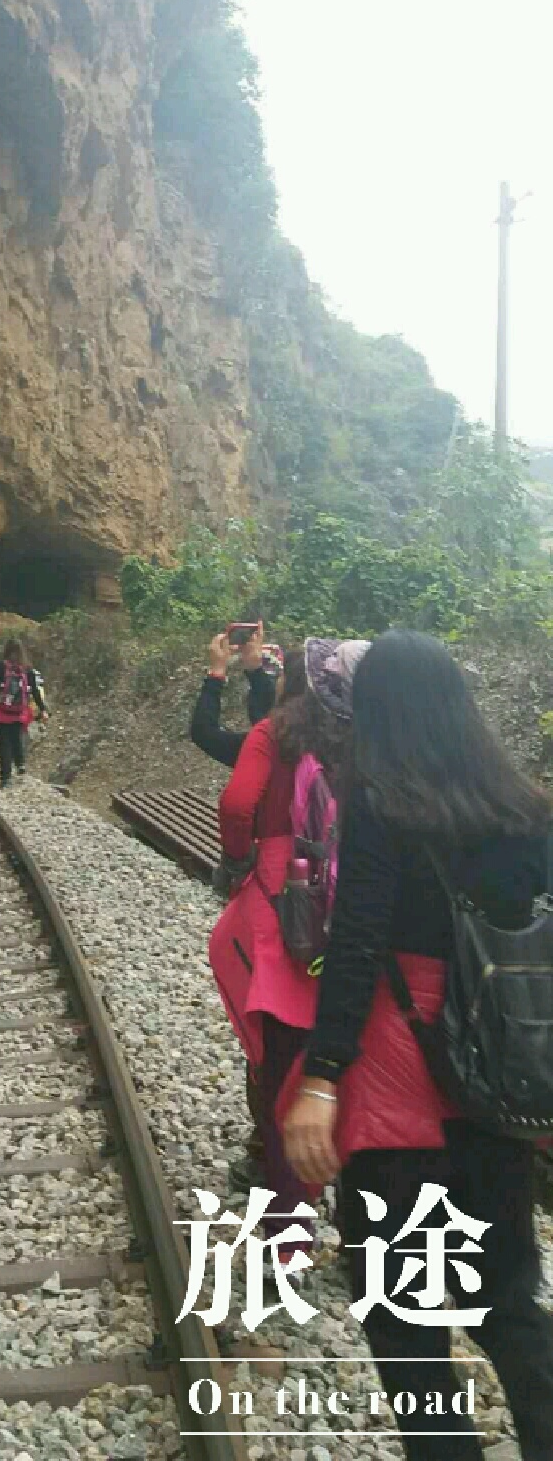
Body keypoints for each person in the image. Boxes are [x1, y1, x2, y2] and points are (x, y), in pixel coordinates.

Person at [282, 631, 553, 1460]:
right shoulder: (528, 811)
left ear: (381, 710)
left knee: (405, 1314)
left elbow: (356, 948)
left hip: (400, 1080)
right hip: (501, 1075)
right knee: (507, 1293)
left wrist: (322, 1076)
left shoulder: (380, 803)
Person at [209, 638, 367, 1237]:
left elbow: (236, 802)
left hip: (282, 899)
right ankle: (358, 1216)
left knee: (279, 1061)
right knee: (345, 1054)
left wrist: (236, 861)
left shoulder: (272, 733)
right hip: (352, 900)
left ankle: (286, 1226)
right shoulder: (360, 739)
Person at [190, 622, 279, 768]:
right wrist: (255, 670)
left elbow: (203, 733)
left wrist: (216, 673)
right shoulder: (318, 744)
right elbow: (264, 718)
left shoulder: (268, 746)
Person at [0, 639, 48, 788]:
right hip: (20, 712)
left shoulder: (0, 667)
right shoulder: (27, 669)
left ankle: (5, 778)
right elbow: (34, 691)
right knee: (16, 737)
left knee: (4, 743)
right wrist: (43, 709)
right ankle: (20, 764)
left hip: (2, 711)